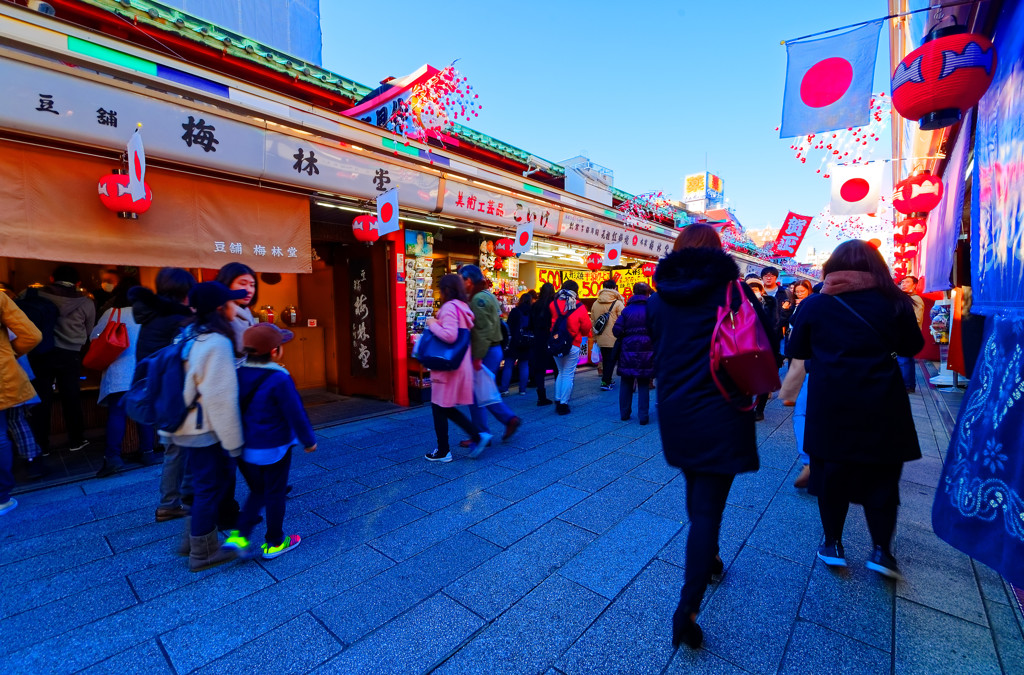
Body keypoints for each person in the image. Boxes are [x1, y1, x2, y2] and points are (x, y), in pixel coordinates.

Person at [647, 224, 776, 649]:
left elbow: (656, 345)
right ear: (718, 252)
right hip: (722, 406)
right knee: (708, 511)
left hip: (676, 409)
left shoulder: (658, 297)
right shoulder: (732, 292)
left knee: (695, 490)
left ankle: (712, 557)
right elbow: (761, 341)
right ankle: (688, 607)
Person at [787, 240, 924, 580]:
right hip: (883, 401)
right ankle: (882, 551)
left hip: (831, 400)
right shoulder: (896, 302)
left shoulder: (816, 304)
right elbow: (913, 346)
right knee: (882, 477)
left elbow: (797, 348)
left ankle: (833, 543)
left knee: (831, 472)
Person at [165, 281, 248, 572]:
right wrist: (234, 441)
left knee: (202, 485)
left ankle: (192, 539)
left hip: (185, 426)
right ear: (219, 308)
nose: (237, 307)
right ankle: (203, 551)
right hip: (205, 429)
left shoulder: (188, 336)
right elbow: (221, 399)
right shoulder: (217, 343)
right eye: (232, 303)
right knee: (209, 488)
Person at [222, 324, 316, 559]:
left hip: (245, 447)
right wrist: (308, 441)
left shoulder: (238, 373)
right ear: (275, 351)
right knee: (274, 492)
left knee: (258, 491)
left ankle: (238, 536)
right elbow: (295, 413)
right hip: (275, 446)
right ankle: (275, 541)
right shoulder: (279, 378)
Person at [130, 268, 197, 522]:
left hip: (157, 389)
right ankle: (171, 502)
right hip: (173, 392)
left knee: (176, 447)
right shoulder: (174, 319)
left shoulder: (152, 315)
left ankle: (174, 500)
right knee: (178, 448)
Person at [93, 277, 158, 478]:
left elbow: (94, 337)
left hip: (119, 373)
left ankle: (113, 458)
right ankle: (148, 453)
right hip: (143, 372)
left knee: (117, 414)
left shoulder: (113, 314)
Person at [423, 274, 492, 462]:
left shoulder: (449, 308)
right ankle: (473, 437)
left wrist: (432, 323)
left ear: (447, 290)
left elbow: (450, 335)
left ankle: (446, 450)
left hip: (447, 366)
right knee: (443, 406)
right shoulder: (463, 307)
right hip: (459, 364)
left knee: (439, 406)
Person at [28, 265, 96, 453]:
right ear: (78, 282)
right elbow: (90, 331)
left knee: (42, 399)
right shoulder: (86, 302)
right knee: (71, 396)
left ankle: (41, 445)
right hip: (71, 354)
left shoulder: (35, 295)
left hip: (42, 351)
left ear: (51, 278)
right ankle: (76, 439)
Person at [459, 265, 522, 446]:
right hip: (492, 350)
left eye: (461, 280)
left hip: (485, 351)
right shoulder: (487, 295)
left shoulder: (478, 299)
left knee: (476, 394)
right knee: (484, 391)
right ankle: (506, 421)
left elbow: (482, 331)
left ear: (469, 281)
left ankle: (482, 434)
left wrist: (477, 357)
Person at [0, 291, 42, 515]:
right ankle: (2, 498)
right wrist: (9, 353)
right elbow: (32, 335)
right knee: (5, 432)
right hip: (3, 375)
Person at [612, 282, 654, 425]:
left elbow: (616, 331)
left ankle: (624, 413)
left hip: (628, 348)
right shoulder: (651, 309)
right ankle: (643, 416)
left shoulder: (627, 310)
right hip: (647, 349)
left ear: (634, 292)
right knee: (643, 382)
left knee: (626, 381)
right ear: (647, 293)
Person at [549, 279, 593, 415]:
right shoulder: (579, 306)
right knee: (568, 374)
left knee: (560, 372)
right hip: (573, 343)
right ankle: (563, 403)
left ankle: (557, 398)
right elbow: (586, 326)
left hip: (556, 343)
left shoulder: (553, 304)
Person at [745, 275, 779, 422]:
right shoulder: (738, 303)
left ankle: (759, 409)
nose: (754, 291)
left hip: (764, 346)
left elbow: (774, 323)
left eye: (756, 288)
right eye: (750, 288)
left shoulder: (769, 302)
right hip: (745, 346)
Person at [215, 262, 259, 356]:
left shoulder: (246, 312)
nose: (249, 290)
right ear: (226, 284)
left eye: (252, 285)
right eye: (243, 283)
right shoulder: (218, 313)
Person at [590, 279, 625, 391]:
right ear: (615, 288)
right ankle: (605, 381)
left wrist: (595, 337)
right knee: (611, 360)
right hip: (614, 337)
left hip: (600, 337)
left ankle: (608, 379)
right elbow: (623, 320)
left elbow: (593, 321)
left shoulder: (595, 303)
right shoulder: (618, 303)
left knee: (606, 359)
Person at [500, 292, 534, 396]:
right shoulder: (531, 312)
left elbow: (508, 326)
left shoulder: (515, 311)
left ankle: (505, 389)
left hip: (514, 342)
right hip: (526, 341)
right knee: (524, 366)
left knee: (509, 365)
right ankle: (522, 389)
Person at [897, 276, 926, 393]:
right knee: (904, 359)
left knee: (905, 359)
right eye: (902, 282)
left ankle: (908, 385)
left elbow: (917, 319)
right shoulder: (905, 298)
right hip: (902, 333)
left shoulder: (916, 299)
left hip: (908, 333)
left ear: (914, 285)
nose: (903, 284)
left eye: (907, 282)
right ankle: (907, 384)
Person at [530, 283, 556, 407]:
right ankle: (559, 394)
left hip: (538, 340)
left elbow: (530, 324)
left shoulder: (535, 305)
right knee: (558, 367)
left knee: (540, 369)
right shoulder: (554, 305)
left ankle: (541, 397)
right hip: (552, 339)